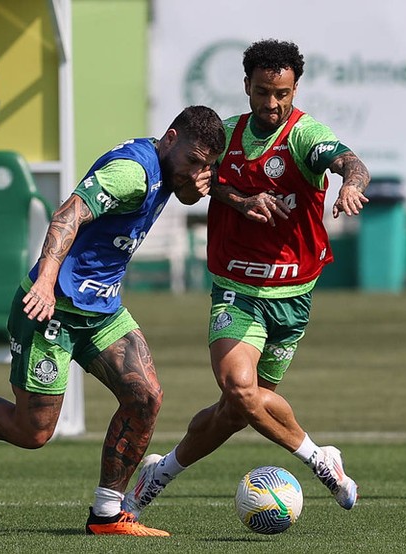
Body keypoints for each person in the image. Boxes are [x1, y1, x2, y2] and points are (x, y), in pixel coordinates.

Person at [0, 105, 227, 536]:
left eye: (207, 165)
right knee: (32, 432)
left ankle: (107, 514)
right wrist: (45, 282)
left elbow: (185, 190)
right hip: (53, 309)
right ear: (171, 137)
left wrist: (199, 186)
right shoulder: (132, 175)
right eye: (194, 162)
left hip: (101, 311)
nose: (199, 172)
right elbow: (68, 215)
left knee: (146, 397)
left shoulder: (167, 166)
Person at [122, 39, 371, 518]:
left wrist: (351, 186)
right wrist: (238, 200)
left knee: (239, 409)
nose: (272, 104)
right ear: (246, 88)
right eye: (262, 92)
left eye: (282, 93)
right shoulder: (227, 136)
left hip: (293, 295)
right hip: (237, 290)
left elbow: (349, 162)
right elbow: (199, 189)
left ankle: (161, 472)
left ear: (295, 88)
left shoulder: (304, 135)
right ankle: (321, 460)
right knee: (240, 389)